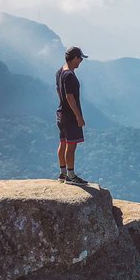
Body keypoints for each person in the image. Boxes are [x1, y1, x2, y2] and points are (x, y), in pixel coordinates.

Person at [56, 46, 89, 185]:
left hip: (61, 113)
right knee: (71, 145)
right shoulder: (69, 75)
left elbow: (59, 91)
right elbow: (70, 97)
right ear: (75, 58)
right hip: (70, 116)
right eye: (80, 58)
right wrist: (78, 116)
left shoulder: (60, 71)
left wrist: (62, 104)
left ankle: (63, 174)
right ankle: (70, 176)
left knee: (63, 142)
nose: (81, 61)